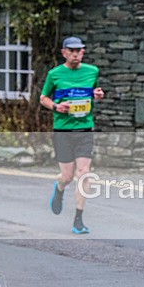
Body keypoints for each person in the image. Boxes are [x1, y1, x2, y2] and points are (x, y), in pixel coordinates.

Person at [40, 36, 104, 234]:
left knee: (84, 173)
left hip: (84, 129)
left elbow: (94, 92)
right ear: (64, 52)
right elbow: (43, 98)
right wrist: (56, 106)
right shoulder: (55, 74)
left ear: (83, 52)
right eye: (72, 50)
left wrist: (98, 95)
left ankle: (78, 219)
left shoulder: (92, 71)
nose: (76, 54)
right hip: (63, 130)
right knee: (67, 176)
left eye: (80, 51)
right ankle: (59, 189)